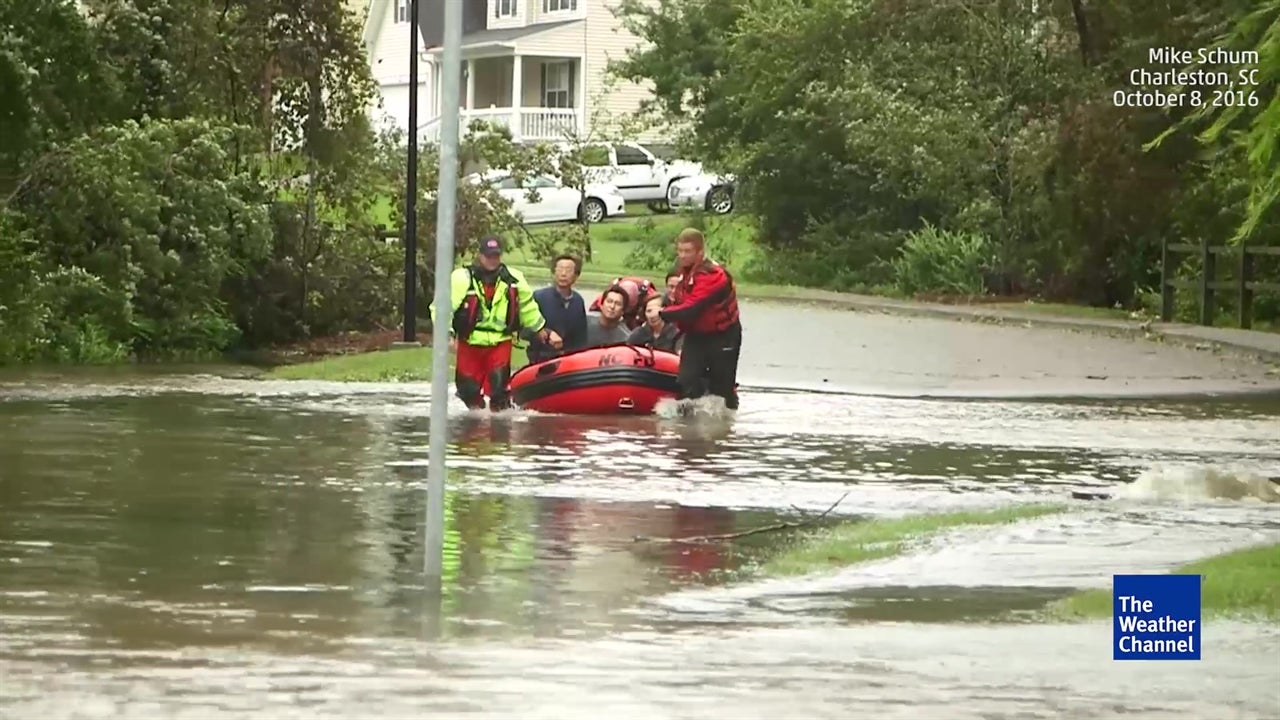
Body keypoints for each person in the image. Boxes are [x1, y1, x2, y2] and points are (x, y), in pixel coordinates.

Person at [433, 235, 561, 411]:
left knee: (499, 389)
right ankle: (476, 417)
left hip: (500, 341)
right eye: (488, 256)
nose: (492, 260)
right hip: (469, 341)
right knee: (467, 390)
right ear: (480, 255)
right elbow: (442, 307)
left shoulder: (514, 279)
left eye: (496, 256)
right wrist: (446, 334)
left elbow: (527, 307)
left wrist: (540, 329)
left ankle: (499, 420)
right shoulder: (461, 278)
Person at [658, 228, 742, 410]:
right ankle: (686, 424)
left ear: (700, 252)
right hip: (697, 335)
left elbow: (692, 308)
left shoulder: (713, 276)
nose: (682, 256)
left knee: (722, 389)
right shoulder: (684, 274)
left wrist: (663, 314)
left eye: (687, 251)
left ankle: (727, 422)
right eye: (680, 251)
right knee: (686, 383)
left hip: (723, 335)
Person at [525, 254, 587, 364]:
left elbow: (581, 338)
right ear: (554, 272)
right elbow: (525, 330)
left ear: (576, 275)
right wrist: (547, 333)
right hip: (541, 359)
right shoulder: (539, 297)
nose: (563, 274)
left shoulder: (578, 301)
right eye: (560, 269)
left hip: (568, 361)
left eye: (568, 270)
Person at [589, 275, 656, 330]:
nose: (612, 306)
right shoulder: (611, 295)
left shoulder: (649, 296)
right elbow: (593, 312)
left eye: (628, 306)